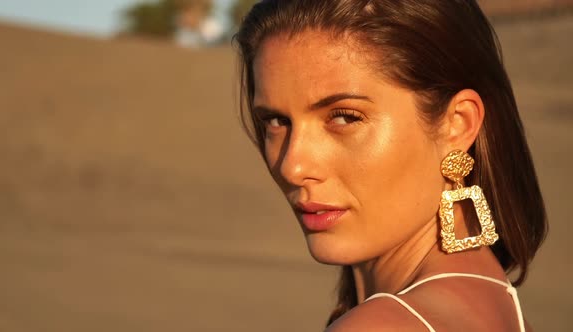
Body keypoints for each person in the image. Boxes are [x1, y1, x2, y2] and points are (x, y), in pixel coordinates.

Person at [234, 0, 548, 331]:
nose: (292, 166)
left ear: (457, 123)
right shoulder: (499, 307)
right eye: (275, 120)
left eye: (344, 117)